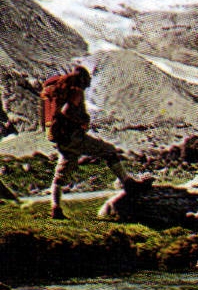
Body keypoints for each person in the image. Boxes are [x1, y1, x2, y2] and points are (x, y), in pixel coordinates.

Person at [40, 65, 130, 219]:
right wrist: (83, 120)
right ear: (83, 78)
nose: (88, 84)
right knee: (109, 151)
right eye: (87, 81)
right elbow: (67, 111)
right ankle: (128, 183)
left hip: (62, 139)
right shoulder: (75, 90)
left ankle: (55, 208)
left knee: (60, 175)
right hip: (74, 137)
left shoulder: (56, 91)